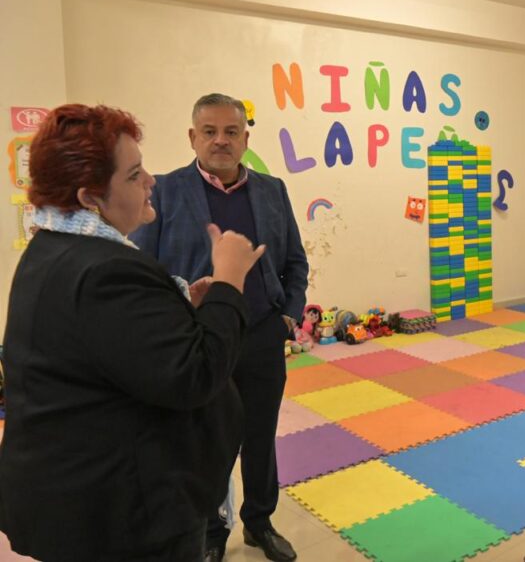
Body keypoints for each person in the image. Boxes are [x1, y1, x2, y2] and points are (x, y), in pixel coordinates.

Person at [0, 104, 263, 561]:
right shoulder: (106, 270)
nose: (150, 182)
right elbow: (196, 374)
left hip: (82, 499)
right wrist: (229, 281)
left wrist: (181, 306)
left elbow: (118, 345)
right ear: (90, 198)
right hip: (122, 516)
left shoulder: (53, 248)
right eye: (134, 175)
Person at [131, 93, 308, 562]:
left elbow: (295, 261)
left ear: (245, 138)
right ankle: (211, 530)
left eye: (231, 132)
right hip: (198, 341)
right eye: (209, 132)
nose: (221, 141)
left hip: (262, 333)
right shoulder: (165, 191)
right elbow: (146, 269)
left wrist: (288, 314)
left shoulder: (272, 190)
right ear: (193, 137)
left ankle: (259, 522)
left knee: (260, 436)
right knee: (204, 439)